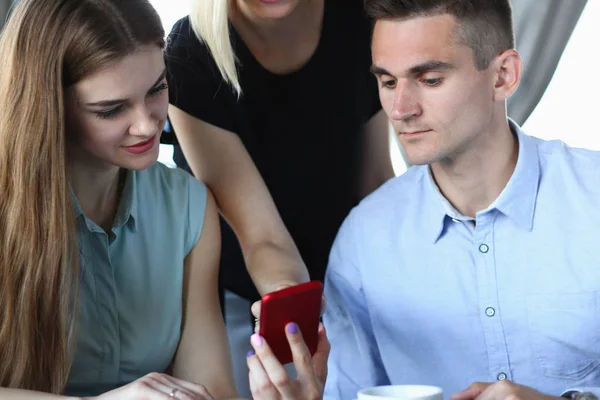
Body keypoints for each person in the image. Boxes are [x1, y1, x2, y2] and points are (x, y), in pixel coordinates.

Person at [322, 0, 600, 400]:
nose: (400, 110)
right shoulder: (364, 243)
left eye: (430, 79)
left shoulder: (592, 199)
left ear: (503, 76)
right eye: (387, 82)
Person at [1, 0, 242, 398]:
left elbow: (212, 387)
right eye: (111, 109)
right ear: (49, 107)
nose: (148, 124)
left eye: (157, 89)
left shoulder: (187, 207)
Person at [165, 0, 394, 394]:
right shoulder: (190, 54)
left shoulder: (362, 19)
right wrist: (298, 315)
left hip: (353, 277)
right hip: (252, 300)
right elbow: (261, 236)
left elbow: (375, 180)